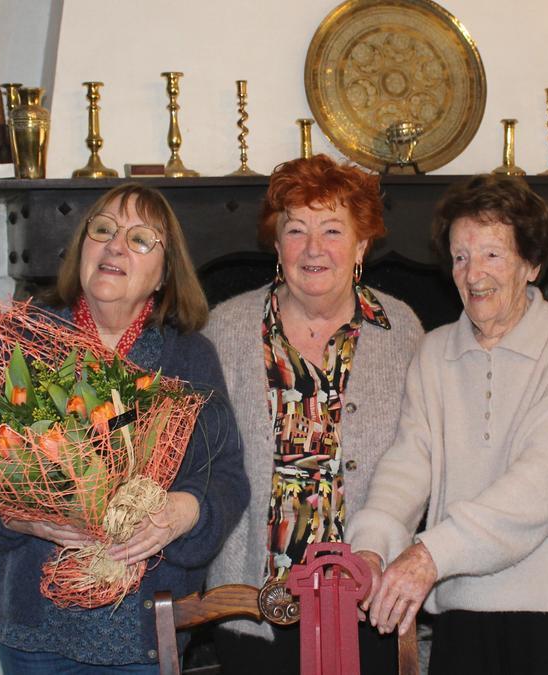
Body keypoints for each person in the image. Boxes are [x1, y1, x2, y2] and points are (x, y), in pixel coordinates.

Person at [0, 183, 249, 673]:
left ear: (164, 273)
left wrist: (183, 511)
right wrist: (8, 518)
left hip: (144, 634)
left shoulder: (188, 356)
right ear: (82, 247)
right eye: (103, 229)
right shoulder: (22, 337)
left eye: (141, 238)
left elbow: (226, 474)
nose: (115, 245)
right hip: (33, 632)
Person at [348, 174, 548, 675]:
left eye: (493, 254)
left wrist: (428, 556)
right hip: (465, 602)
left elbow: (543, 480)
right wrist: (371, 544)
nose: (474, 273)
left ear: (531, 263)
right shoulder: (434, 352)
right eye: (459, 256)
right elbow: (410, 463)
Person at [204, 154, 423, 674]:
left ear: (361, 245)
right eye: (296, 230)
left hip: (369, 600)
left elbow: (424, 454)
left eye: (332, 229)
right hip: (254, 601)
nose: (314, 248)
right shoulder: (225, 328)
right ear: (277, 246)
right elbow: (203, 459)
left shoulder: (402, 330)